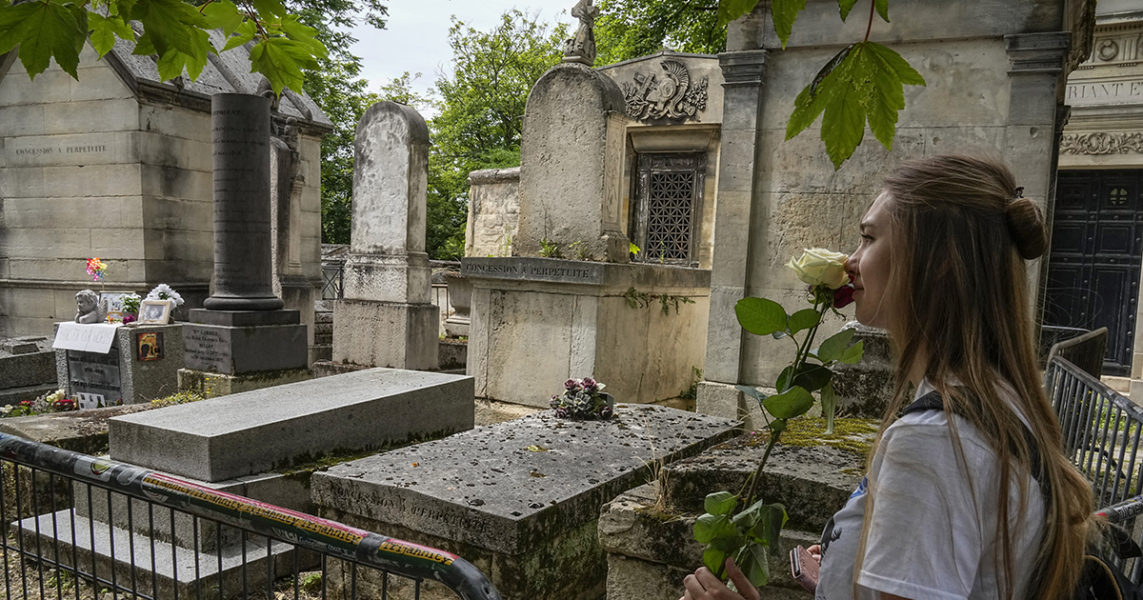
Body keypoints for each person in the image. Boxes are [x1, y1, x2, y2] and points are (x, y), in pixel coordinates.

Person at [681, 155, 1094, 600]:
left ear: (937, 263)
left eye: (868, 237)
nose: (850, 260)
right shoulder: (997, 401)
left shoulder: (934, 442)